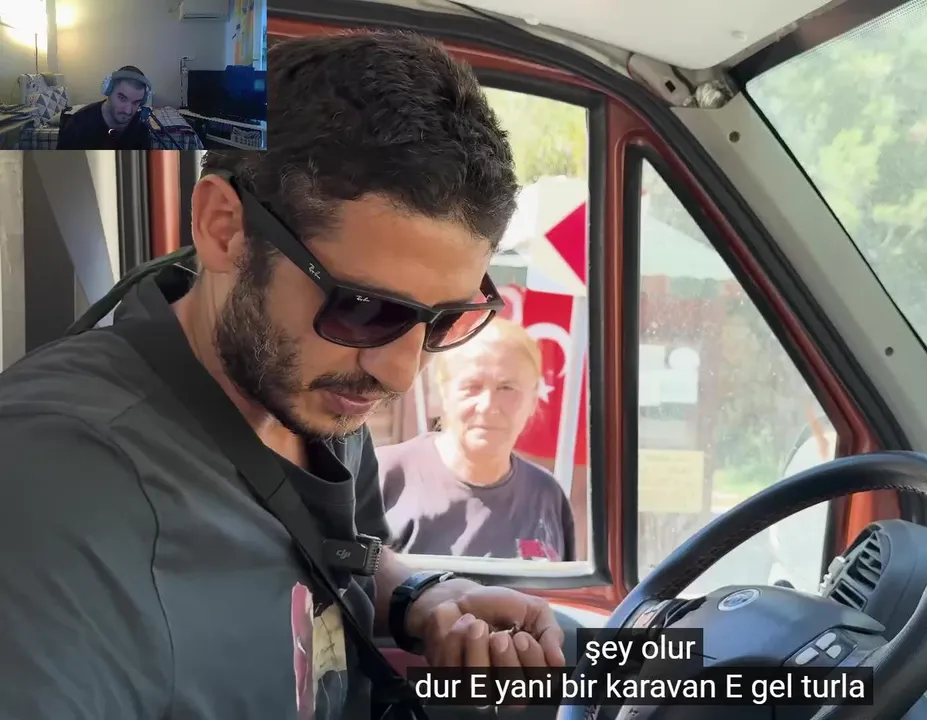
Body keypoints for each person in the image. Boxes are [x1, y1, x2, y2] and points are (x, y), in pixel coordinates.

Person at [0, 31, 565, 720]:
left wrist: (422, 598)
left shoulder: (318, 390)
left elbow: (337, 552)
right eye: (363, 307)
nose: (399, 371)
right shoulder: (57, 488)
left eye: (444, 319)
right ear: (224, 228)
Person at [379, 318, 577, 561]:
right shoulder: (382, 476)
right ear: (444, 392)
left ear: (533, 399)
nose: (487, 406)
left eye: (507, 388)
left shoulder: (546, 495)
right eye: (472, 386)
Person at [57, 65, 152, 150]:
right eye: (122, 98)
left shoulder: (141, 129)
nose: (128, 111)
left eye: (136, 102)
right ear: (108, 90)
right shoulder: (78, 125)